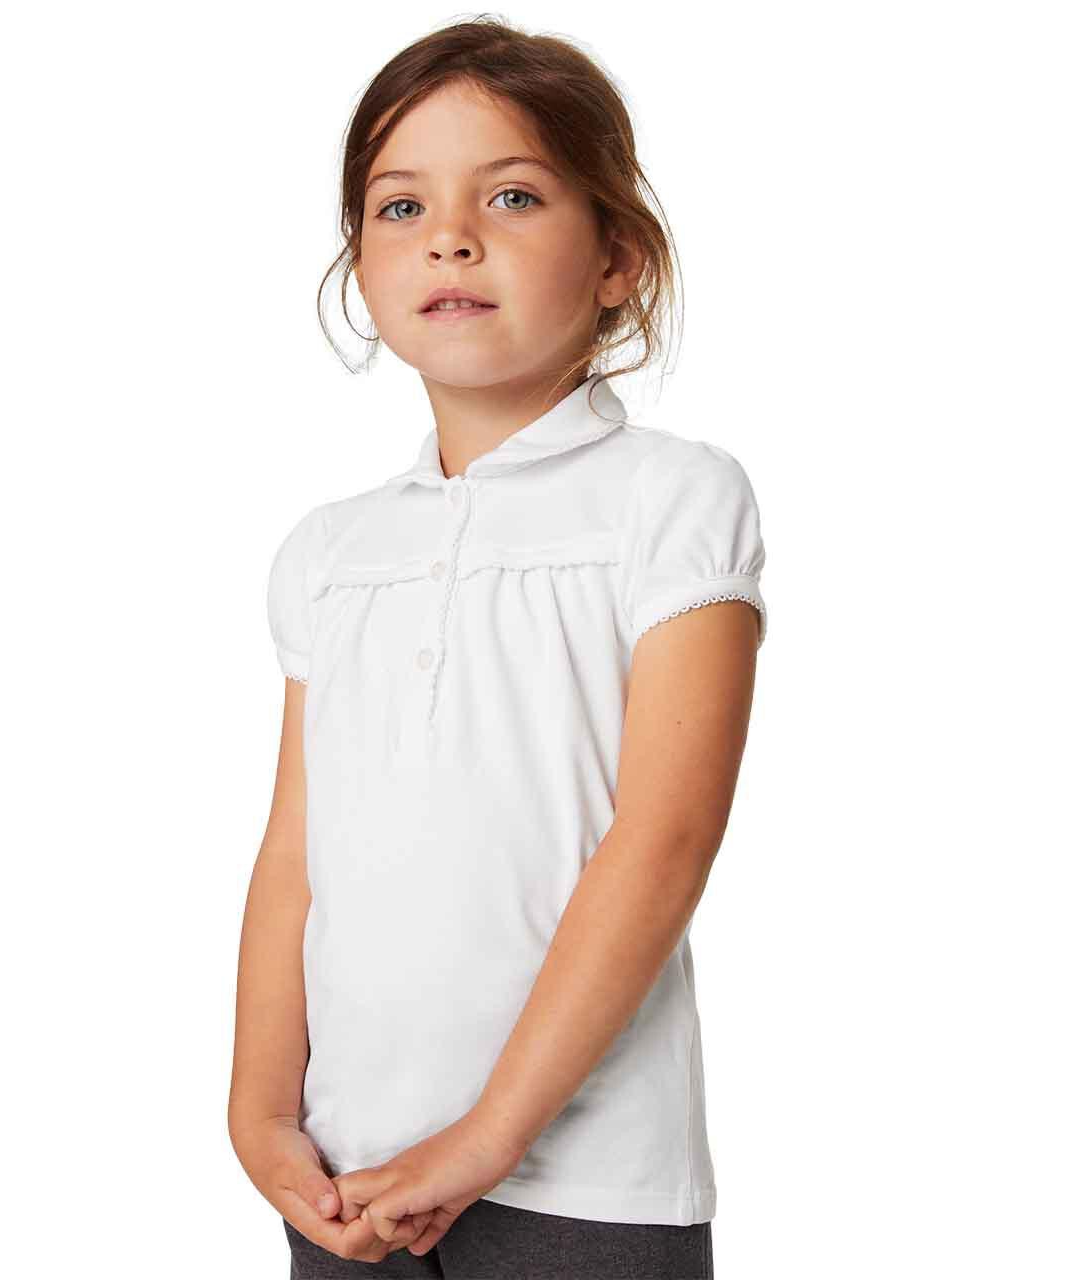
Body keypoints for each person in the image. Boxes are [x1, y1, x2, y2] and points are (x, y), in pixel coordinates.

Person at [229, 18, 767, 1279]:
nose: (449, 237)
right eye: (400, 206)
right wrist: (258, 1111)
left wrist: (484, 1137)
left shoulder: (670, 499)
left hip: (584, 1184)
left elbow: (665, 838)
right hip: (349, 1179)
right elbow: (293, 856)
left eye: (511, 195)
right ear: (361, 260)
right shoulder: (328, 551)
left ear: (618, 255)